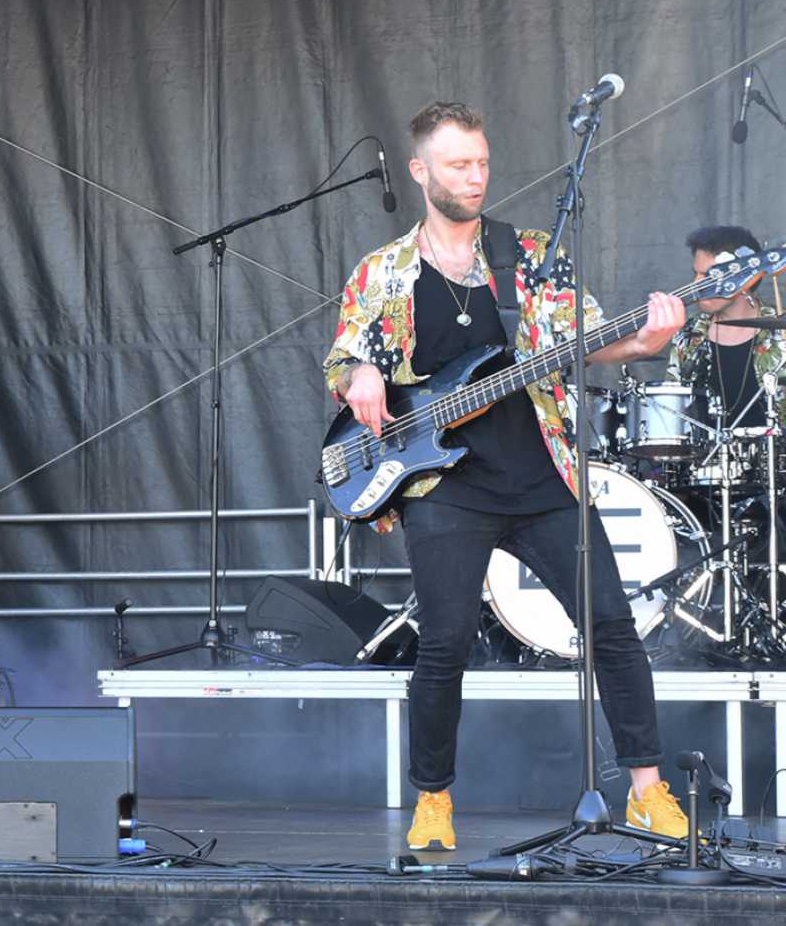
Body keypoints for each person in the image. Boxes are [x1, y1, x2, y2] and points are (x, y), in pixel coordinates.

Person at [322, 102, 689, 849]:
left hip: (543, 476)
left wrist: (645, 340)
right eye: (459, 164)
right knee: (446, 642)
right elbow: (342, 358)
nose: (476, 176)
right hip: (445, 485)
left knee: (612, 627)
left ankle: (647, 792)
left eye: (482, 162)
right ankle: (434, 799)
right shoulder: (382, 272)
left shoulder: (528, 255)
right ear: (421, 171)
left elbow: (587, 342)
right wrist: (359, 374)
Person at [666, 225, 786, 430]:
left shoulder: (781, 332)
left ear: (744, 278)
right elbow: (672, 413)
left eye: (708, 276)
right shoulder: (687, 334)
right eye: (696, 274)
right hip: (706, 451)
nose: (696, 284)